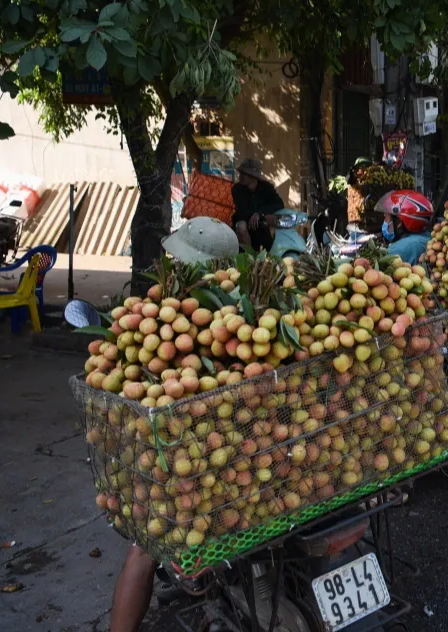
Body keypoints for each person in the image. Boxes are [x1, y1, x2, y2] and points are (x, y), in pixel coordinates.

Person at [110, 217, 241, 632]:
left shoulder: (178, 312)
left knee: (143, 548)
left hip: (184, 444)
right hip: (238, 438)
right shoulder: (242, 307)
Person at [231, 158, 284, 252]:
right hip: (244, 219)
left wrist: (260, 214)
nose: (240, 176)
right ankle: (249, 257)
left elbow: (279, 204)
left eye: (244, 174)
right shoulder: (237, 189)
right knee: (241, 226)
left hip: (261, 224)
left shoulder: (266, 188)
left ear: (252, 176)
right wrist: (259, 214)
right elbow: (243, 210)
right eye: (241, 173)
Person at [375, 189, 433, 265]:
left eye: (386, 218)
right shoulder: (428, 238)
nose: (385, 222)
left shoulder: (398, 250)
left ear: (399, 222)